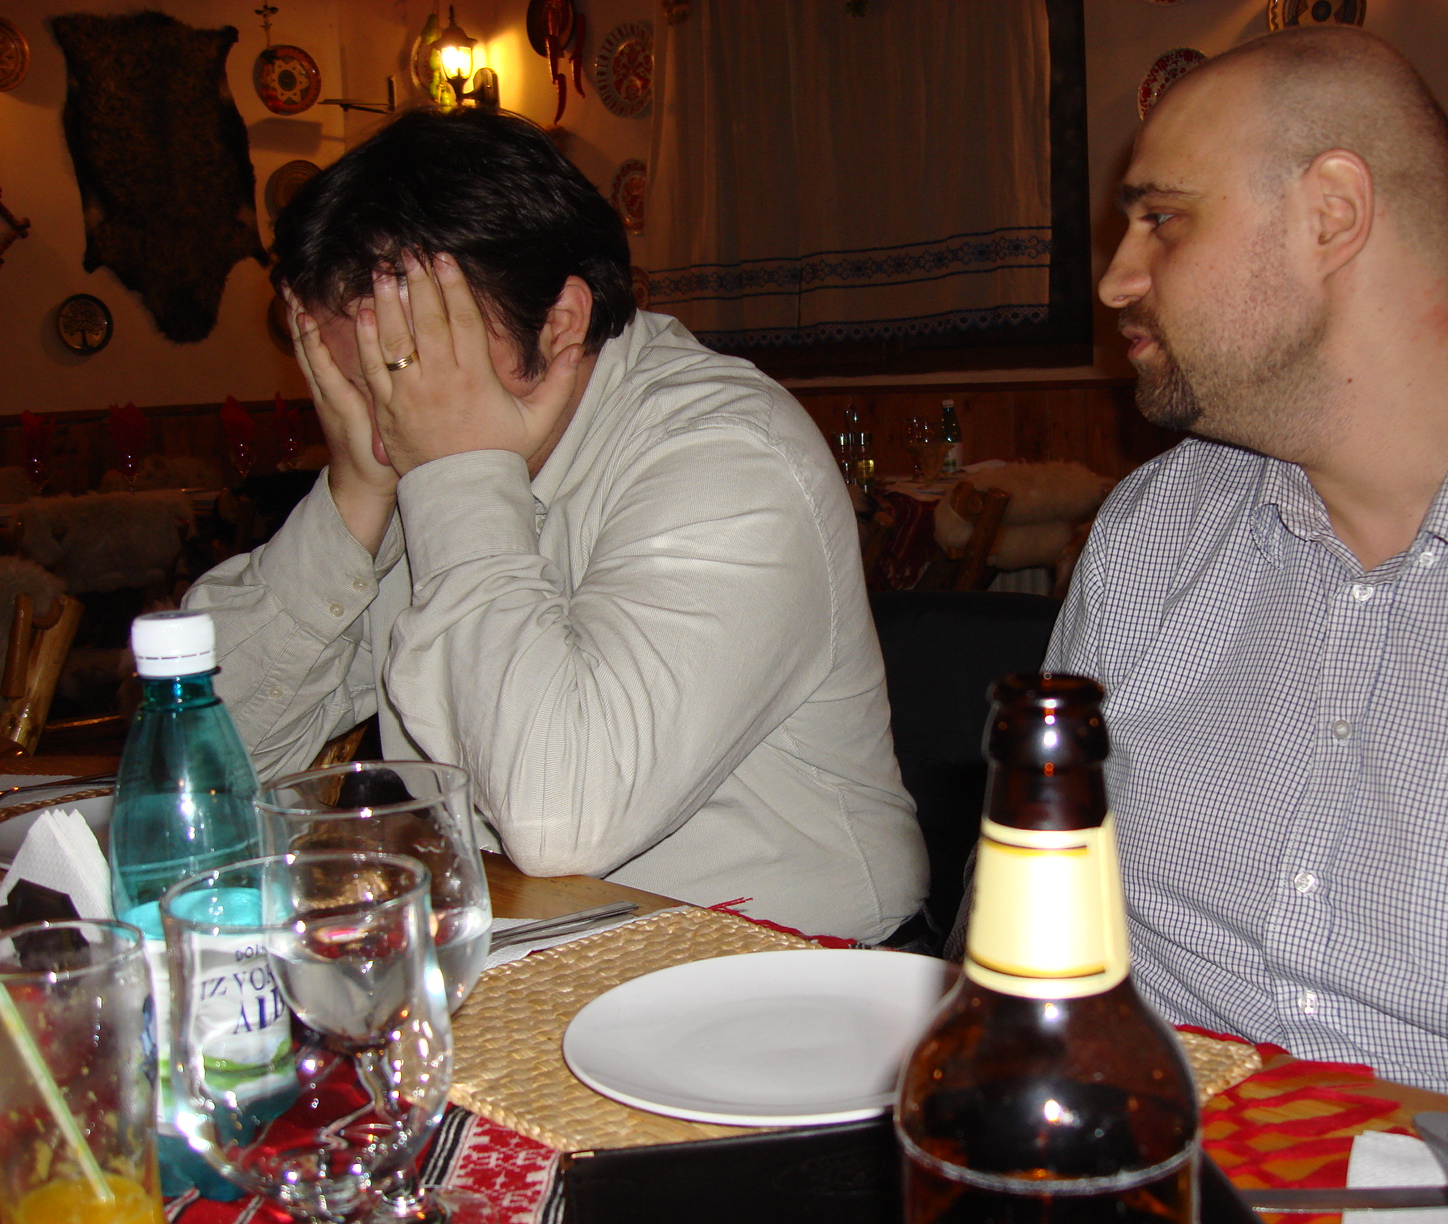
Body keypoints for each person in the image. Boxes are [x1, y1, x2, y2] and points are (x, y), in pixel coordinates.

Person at [1049, 26, 1448, 1132]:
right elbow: (1036, 923)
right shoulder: (1151, 534)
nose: (1117, 277)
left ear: (1331, 214)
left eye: (1162, 218)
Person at [184, 107, 927, 944]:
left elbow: (558, 818)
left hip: (792, 970)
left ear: (562, 323)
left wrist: (459, 472)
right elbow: (203, 759)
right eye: (350, 382)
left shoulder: (733, 456)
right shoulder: (406, 454)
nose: (386, 420)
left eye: (410, 362)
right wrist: (355, 496)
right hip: (529, 956)